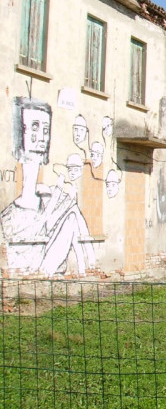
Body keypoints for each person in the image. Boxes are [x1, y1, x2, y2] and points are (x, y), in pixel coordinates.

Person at [1, 97, 96, 276]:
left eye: (46, 129)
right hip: (25, 264)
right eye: (35, 127)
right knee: (71, 212)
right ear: (20, 132)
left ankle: (87, 267)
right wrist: (58, 190)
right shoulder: (11, 214)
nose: (42, 136)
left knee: (72, 213)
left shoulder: (45, 193)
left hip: (46, 261)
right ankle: (87, 267)